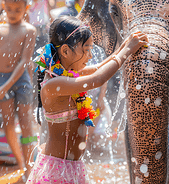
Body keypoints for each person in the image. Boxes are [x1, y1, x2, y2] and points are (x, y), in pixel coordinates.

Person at [27, 16, 148, 183]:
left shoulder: (67, 73)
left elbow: (99, 67)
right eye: (86, 50)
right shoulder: (53, 84)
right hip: (57, 169)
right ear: (65, 51)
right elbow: (98, 79)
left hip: (73, 166)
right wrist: (127, 50)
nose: (90, 56)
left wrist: (125, 45)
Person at [0, 0, 37, 180]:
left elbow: (25, 61)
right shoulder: (1, 28)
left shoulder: (28, 30)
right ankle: (21, 165)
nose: (13, 13)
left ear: (26, 8)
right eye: (9, 8)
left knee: (26, 124)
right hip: (1, 78)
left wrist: (5, 86)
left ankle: (30, 168)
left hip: (20, 80)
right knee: (8, 123)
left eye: (18, 9)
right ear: (3, 5)